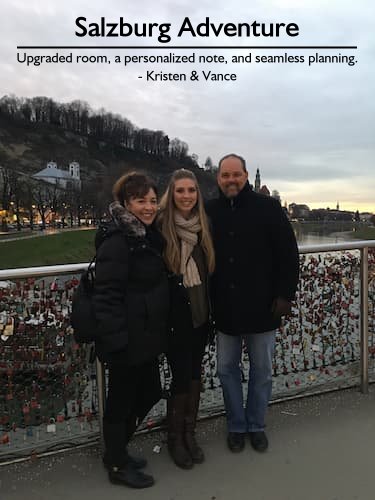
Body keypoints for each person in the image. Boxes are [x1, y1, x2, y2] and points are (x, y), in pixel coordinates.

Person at [205, 154, 299, 454]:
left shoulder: (268, 207)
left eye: (236, 174)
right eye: (225, 175)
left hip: (263, 306)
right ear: (218, 178)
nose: (231, 180)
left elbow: (288, 254)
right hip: (225, 307)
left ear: (246, 176)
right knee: (226, 369)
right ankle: (236, 425)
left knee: (262, 370)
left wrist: (285, 296)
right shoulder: (209, 209)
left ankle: (256, 425)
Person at [92, 172, 169, 488]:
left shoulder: (144, 236)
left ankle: (115, 450)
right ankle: (116, 463)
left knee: (150, 391)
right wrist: (116, 340)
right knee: (120, 402)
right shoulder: (118, 241)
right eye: (141, 201)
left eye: (152, 200)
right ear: (125, 203)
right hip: (126, 338)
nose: (149, 207)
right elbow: (106, 296)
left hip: (145, 335)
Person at [158, 169, 215, 469]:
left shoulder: (203, 227)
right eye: (180, 190)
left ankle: (190, 433)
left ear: (197, 194)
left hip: (200, 316)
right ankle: (175, 438)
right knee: (181, 377)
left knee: (195, 375)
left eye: (191, 190)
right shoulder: (160, 228)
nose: (186, 196)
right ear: (172, 193)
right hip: (174, 319)